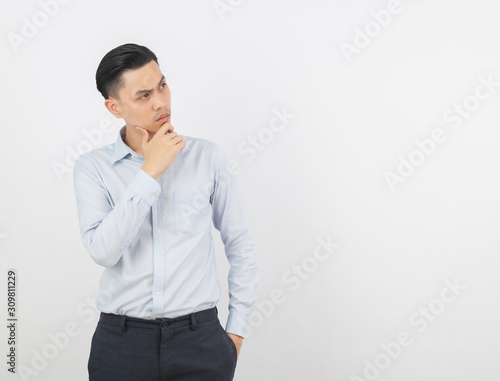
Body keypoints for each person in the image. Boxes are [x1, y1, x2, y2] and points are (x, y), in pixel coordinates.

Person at [73, 43, 259, 380]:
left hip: (201, 340)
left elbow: (241, 243)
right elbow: (103, 252)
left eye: (162, 85)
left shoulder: (207, 157)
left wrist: (235, 333)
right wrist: (150, 172)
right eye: (143, 95)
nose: (161, 101)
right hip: (121, 344)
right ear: (114, 107)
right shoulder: (93, 168)